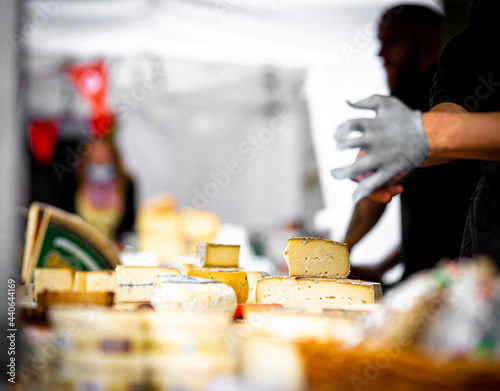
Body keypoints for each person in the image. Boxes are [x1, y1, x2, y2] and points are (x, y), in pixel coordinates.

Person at [333, 0, 500, 263]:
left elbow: (442, 130)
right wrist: (382, 266)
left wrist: (336, 252)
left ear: (427, 44)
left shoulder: (410, 94)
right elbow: (449, 118)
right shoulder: (464, 50)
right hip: (467, 260)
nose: (381, 54)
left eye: (392, 42)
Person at [73, 137, 136, 245]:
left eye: (103, 158)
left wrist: (122, 245)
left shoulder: (126, 184)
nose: (99, 156)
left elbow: (129, 228)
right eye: (95, 157)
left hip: (112, 250)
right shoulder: (73, 182)